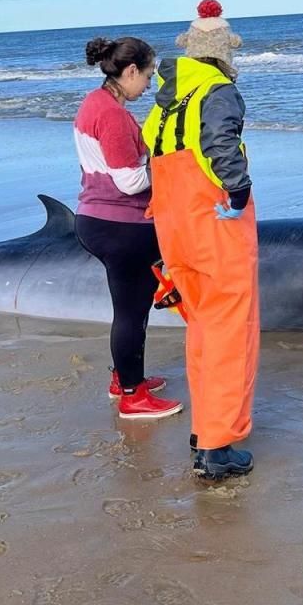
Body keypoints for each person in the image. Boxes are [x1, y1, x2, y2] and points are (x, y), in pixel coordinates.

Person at [143, 0, 257, 479]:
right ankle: (217, 447)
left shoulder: (165, 104)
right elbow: (221, 146)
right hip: (216, 227)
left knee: (203, 334)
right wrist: (239, 192)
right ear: (223, 53)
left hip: (175, 231)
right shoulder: (217, 91)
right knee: (232, 335)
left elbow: (153, 161)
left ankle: (201, 433)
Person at [75, 36, 182, 420]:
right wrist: (169, 164)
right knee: (131, 313)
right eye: (149, 75)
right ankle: (133, 397)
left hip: (95, 217)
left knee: (128, 310)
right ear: (131, 71)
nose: (151, 83)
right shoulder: (114, 116)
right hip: (118, 223)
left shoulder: (94, 102)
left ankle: (124, 380)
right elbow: (130, 182)